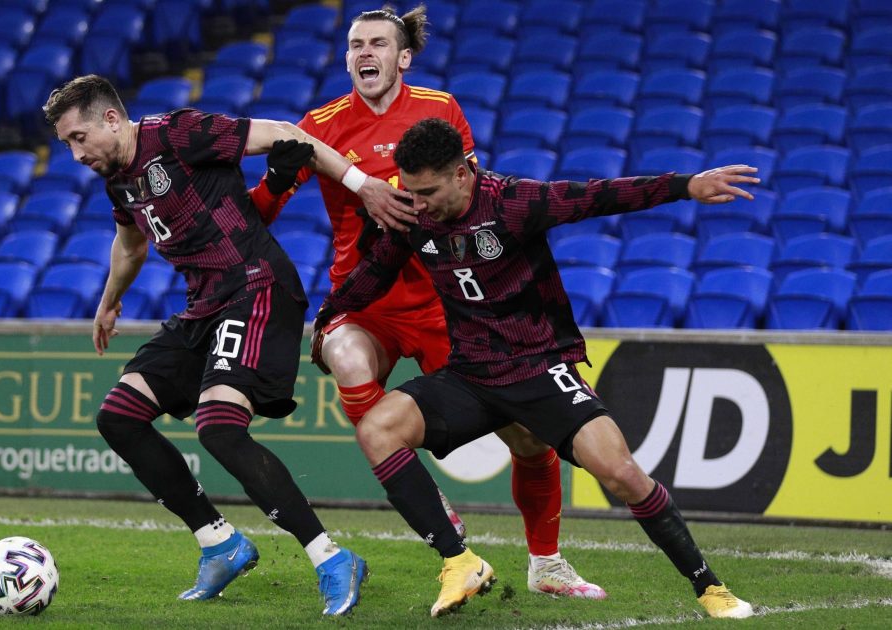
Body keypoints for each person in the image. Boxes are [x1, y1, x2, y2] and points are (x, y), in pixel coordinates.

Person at [313, 117, 759, 619]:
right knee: (377, 429)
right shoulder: (414, 217)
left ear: (461, 174)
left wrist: (686, 185)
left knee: (622, 474)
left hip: (539, 368)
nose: (417, 204)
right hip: (470, 374)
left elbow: (599, 196)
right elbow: (374, 274)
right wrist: (329, 316)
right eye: (411, 192)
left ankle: (709, 588)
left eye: (428, 192)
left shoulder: (512, 201)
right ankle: (459, 561)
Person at [251, 4, 604, 599]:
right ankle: (430, 501)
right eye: (355, 44)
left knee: (529, 439)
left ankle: (546, 564)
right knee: (345, 354)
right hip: (367, 302)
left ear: (404, 57)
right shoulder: (320, 125)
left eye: (378, 44)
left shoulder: (441, 110)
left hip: (446, 301)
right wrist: (277, 180)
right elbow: (257, 214)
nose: (364, 53)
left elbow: (473, 196)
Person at [42, 74, 404, 616]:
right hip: (205, 304)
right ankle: (220, 543)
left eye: (78, 138)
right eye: (67, 144)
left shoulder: (178, 133)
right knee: (119, 417)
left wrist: (361, 184)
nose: (75, 154)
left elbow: (283, 133)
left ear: (111, 119)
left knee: (218, 426)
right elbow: (130, 245)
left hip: (256, 285)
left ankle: (332, 558)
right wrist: (109, 302)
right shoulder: (118, 180)